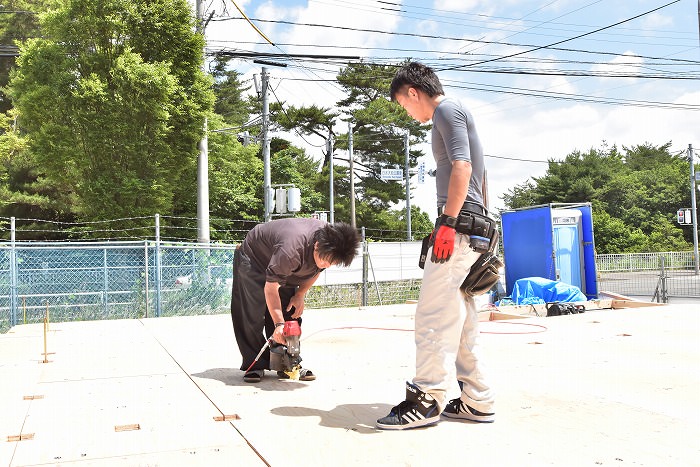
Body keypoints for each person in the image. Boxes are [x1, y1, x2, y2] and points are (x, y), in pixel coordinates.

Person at [376, 62, 497, 429]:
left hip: (458, 227)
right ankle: (477, 399)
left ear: (413, 91)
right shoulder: (454, 114)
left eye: (403, 104)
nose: (407, 112)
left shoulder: (446, 110)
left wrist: (447, 223)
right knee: (461, 321)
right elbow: (481, 175)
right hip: (473, 225)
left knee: (432, 315)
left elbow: (462, 166)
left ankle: (426, 399)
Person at [231, 217, 360, 383]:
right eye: (326, 261)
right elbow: (271, 289)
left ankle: (286, 364)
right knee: (251, 313)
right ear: (316, 245)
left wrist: (300, 295)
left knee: (289, 313)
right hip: (255, 258)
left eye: (332, 263)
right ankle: (255, 364)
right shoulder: (291, 249)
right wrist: (278, 325)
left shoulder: (332, 240)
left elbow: (317, 270)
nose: (327, 265)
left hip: (283, 264)